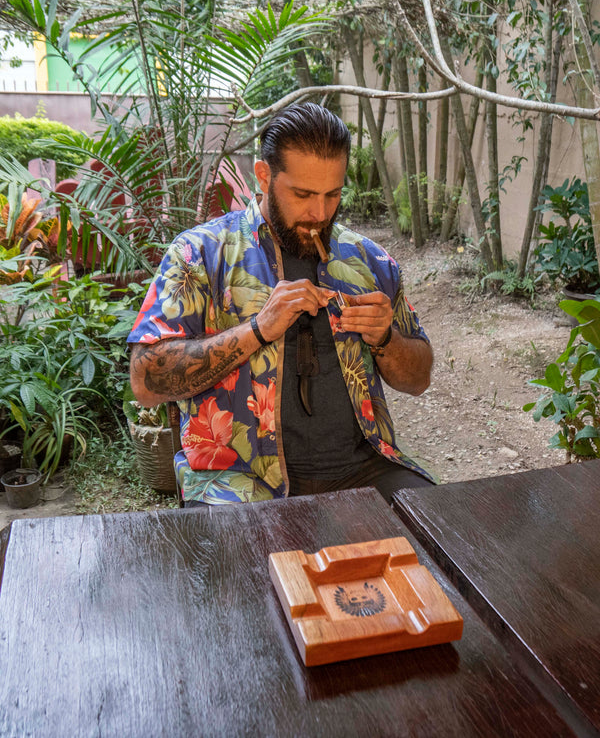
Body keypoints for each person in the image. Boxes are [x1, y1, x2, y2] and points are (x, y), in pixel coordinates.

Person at [128, 102, 435, 507]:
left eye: (333, 194)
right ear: (263, 175)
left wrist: (385, 338)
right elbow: (145, 380)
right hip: (238, 480)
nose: (320, 212)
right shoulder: (200, 254)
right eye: (303, 194)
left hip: (364, 469)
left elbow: (419, 377)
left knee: (441, 542)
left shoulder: (369, 260)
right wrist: (257, 330)